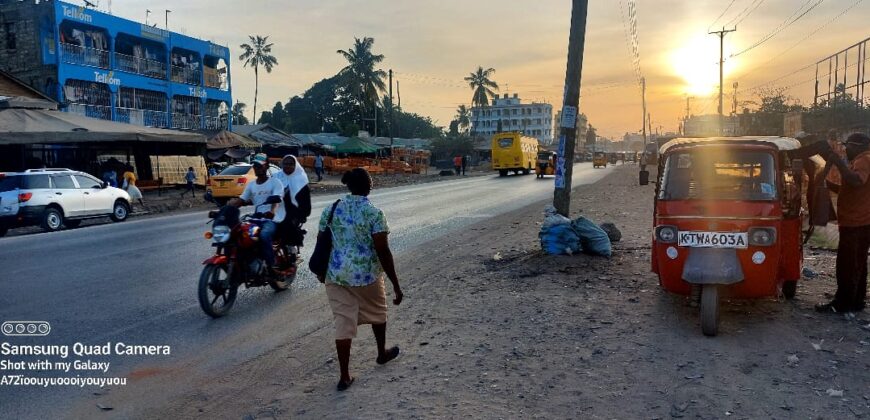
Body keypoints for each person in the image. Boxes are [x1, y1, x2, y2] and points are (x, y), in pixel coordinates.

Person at [318, 167, 403, 391]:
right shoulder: (374, 213)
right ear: (369, 187)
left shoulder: (331, 208)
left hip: (336, 276)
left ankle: (345, 376)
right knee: (378, 312)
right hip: (366, 275)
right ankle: (381, 353)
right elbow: (383, 251)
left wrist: (321, 272)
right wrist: (395, 283)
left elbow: (321, 242)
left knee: (343, 324)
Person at [815, 133, 870, 313]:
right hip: (857, 222)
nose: (846, 150)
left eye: (848, 146)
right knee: (857, 264)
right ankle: (856, 300)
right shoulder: (860, 161)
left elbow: (855, 181)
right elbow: (851, 189)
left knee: (847, 265)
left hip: (856, 223)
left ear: (858, 146)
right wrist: (827, 185)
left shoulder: (864, 160)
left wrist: (838, 162)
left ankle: (843, 303)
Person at [229, 153, 285, 275]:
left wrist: (272, 212)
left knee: (264, 235)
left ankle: (272, 266)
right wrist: (224, 210)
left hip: (272, 219)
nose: (257, 168)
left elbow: (276, 200)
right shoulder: (251, 185)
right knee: (238, 234)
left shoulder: (275, 182)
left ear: (267, 166)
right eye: (255, 166)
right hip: (257, 218)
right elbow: (240, 201)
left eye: (260, 166)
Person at [273, 154, 311, 250]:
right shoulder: (277, 177)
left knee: (286, 226)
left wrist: (301, 215)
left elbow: (306, 204)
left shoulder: (301, 180)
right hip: (277, 209)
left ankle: (290, 251)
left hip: (294, 212)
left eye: (291, 164)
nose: (287, 166)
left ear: (295, 165)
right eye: (285, 163)